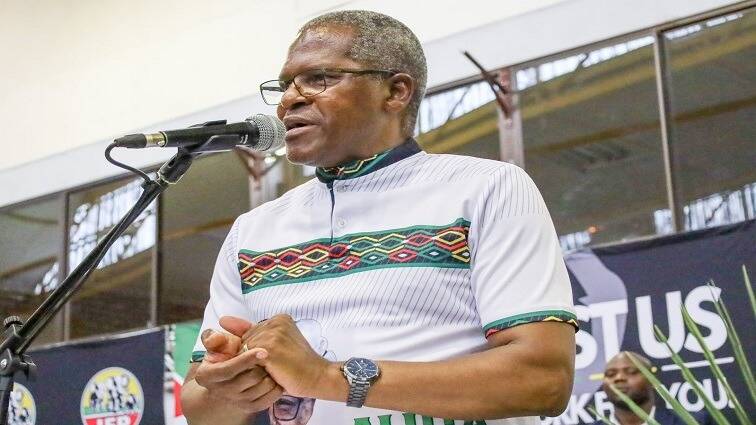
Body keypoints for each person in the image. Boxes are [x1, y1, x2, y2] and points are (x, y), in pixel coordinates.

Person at [181, 10, 577, 425]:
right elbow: (201, 410)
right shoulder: (252, 231)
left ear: (396, 91)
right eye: (284, 86)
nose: (289, 99)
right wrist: (234, 384)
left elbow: (543, 380)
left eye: (319, 78)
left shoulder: (486, 188)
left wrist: (327, 378)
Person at [598, 352, 712, 425]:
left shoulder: (693, 422)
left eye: (631, 372)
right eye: (610, 374)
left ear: (652, 379)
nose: (619, 378)